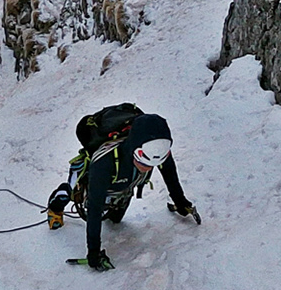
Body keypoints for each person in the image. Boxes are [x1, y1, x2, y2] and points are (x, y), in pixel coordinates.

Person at [47, 104, 199, 271]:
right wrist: (93, 251)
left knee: (115, 219)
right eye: (143, 161)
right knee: (73, 192)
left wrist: (180, 201)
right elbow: (94, 207)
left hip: (123, 185)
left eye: (153, 164)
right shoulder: (104, 162)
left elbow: (169, 173)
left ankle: (114, 201)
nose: (148, 168)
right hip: (99, 179)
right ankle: (55, 206)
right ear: (135, 148)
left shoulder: (156, 150)